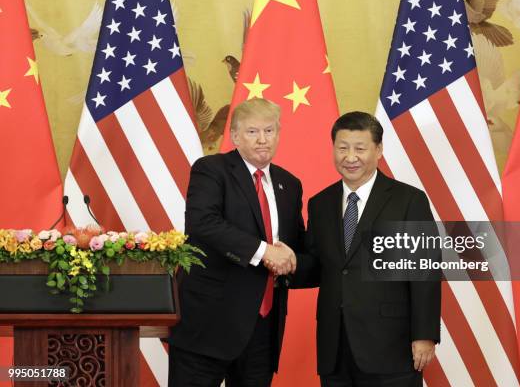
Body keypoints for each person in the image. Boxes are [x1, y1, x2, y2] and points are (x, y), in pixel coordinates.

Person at [279, 111, 441, 387]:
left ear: (378, 150)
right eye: (342, 148)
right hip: (335, 346)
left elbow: (424, 270)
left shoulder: (408, 199)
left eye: (360, 148)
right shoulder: (320, 203)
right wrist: (286, 263)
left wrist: (424, 334)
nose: (350, 157)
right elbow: (321, 266)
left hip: (391, 345)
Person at [168, 98, 303, 387]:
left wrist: (293, 258)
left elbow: (294, 247)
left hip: (263, 330)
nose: (263, 139)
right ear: (235, 136)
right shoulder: (211, 169)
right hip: (208, 325)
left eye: (269, 130)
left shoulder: (289, 184)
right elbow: (202, 224)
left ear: (279, 134)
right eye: (253, 132)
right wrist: (264, 250)